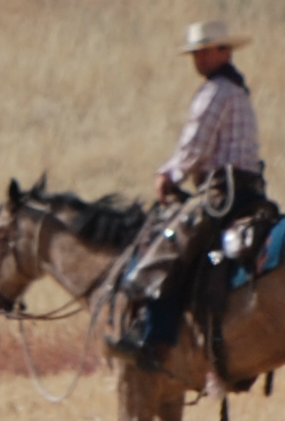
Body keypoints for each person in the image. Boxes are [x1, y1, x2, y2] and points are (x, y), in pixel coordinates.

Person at [117, 19, 273, 370]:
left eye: (205, 51)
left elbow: (194, 149)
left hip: (221, 193)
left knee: (166, 247)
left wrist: (168, 176)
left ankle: (152, 337)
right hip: (250, 191)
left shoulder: (214, 92)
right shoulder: (238, 89)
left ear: (225, 51)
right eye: (196, 53)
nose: (199, 59)